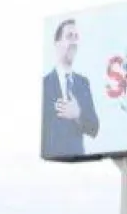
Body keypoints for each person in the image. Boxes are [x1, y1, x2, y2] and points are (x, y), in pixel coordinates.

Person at [41, 18, 100, 158]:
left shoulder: (83, 83)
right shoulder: (45, 84)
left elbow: (94, 128)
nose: (73, 42)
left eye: (76, 37)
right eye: (69, 37)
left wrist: (78, 115)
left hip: (78, 160)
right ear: (57, 43)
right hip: (51, 163)